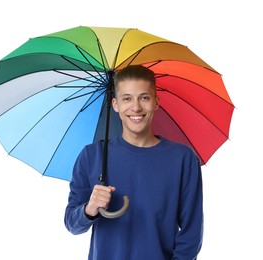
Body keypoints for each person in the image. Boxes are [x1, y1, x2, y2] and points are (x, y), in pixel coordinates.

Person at [64, 65, 203, 259]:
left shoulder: (182, 159)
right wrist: (90, 208)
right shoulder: (92, 155)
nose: (136, 107)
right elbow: (72, 223)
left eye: (144, 97)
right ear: (115, 104)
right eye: (127, 98)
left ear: (156, 102)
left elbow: (191, 233)